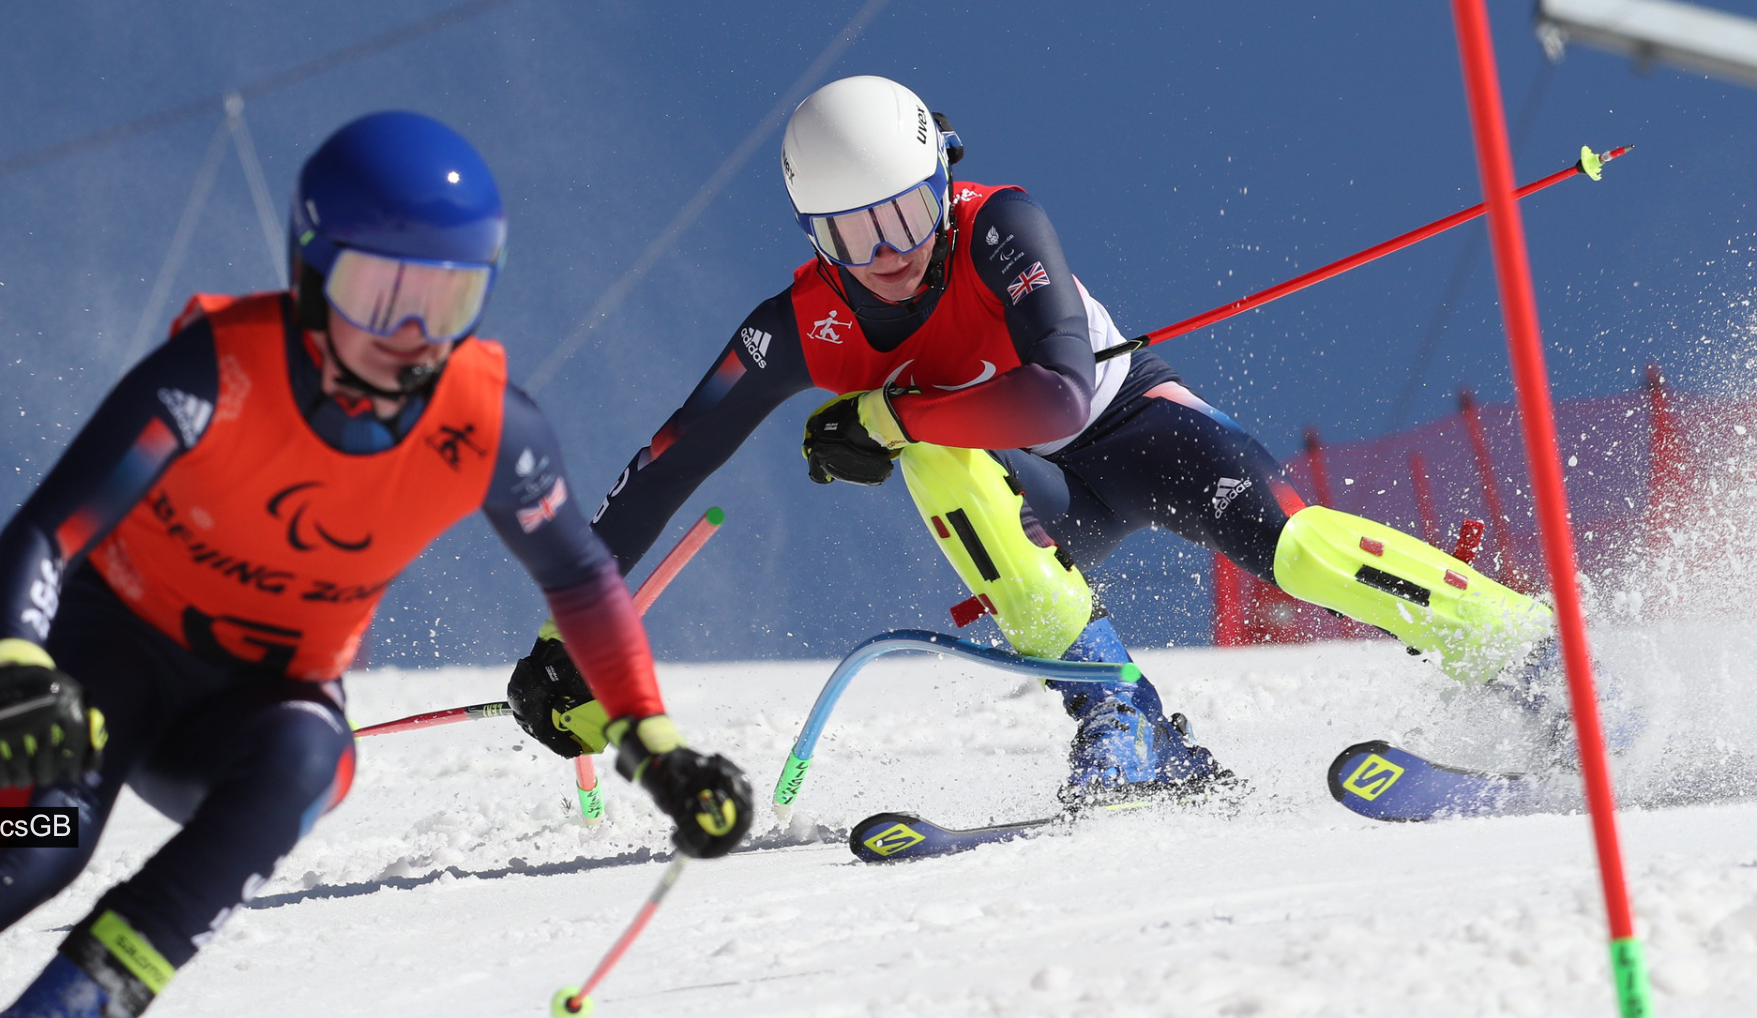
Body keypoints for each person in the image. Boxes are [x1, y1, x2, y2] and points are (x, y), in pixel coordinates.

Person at [0, 112, 751, 1018]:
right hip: (116, 651)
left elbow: (583, 582)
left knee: (316, 757)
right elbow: (49, 533)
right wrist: (15, 661)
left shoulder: (488, 428)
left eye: (446, 304)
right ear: (310, 277)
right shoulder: (219, 369)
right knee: (34, 850)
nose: (410, 335)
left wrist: (653, 742)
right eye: (377, 294)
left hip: (259, 706)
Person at [507, 75, 1553, 807]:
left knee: (1299, 551)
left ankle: (1531, 653)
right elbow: (670, 462)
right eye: (857, 236)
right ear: (814, 239)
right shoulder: (796, 327)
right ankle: (1122, 718)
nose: (895, 251)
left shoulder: (999, 224)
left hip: (1138, 427)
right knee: (931, 461)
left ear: (942, 180)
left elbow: (1055, 396)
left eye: (910, 212)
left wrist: (885, 413)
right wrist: (571, 641)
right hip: (1036, 505)